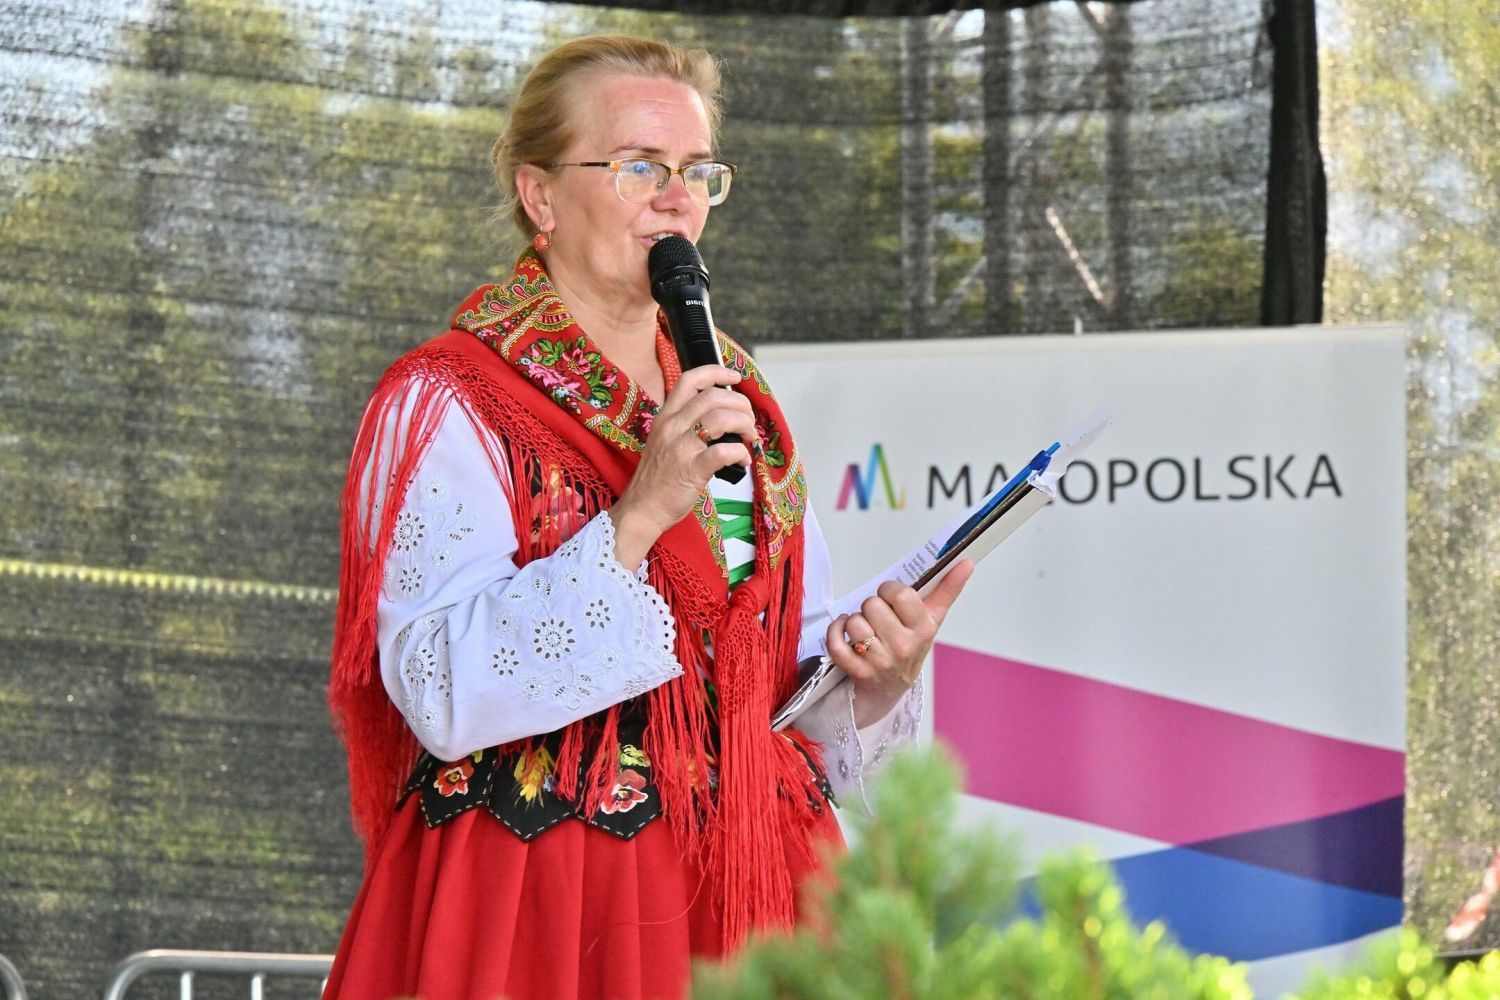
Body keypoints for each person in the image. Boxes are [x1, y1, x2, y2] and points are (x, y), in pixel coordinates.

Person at [323, 35, 972, 1000]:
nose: (678, 200)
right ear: (541, 196)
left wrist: (872, 679)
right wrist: (638, 516)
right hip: (549, 893)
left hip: (760, 887)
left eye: (698, 172)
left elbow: (778, 668)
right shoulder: (451, 398)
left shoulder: (735, 395)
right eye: (639, 167)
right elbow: (440, 689)